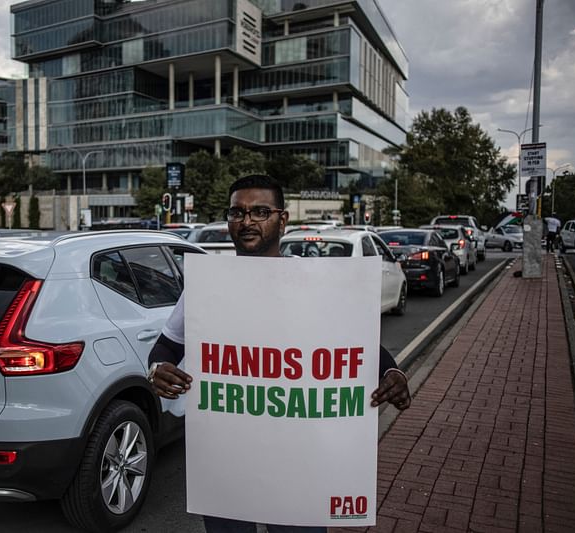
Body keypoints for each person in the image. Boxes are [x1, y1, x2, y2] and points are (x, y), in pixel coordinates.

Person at [147, 174, 411, 533]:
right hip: (226, 464)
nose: (247, 221)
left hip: (299, 470)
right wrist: (156, 368)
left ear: (282, 219)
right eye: (237, 212)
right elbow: (165, 347)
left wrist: (392, 373)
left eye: (260, 211)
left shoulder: (314, 285)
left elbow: (358, 343)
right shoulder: (208, 285)